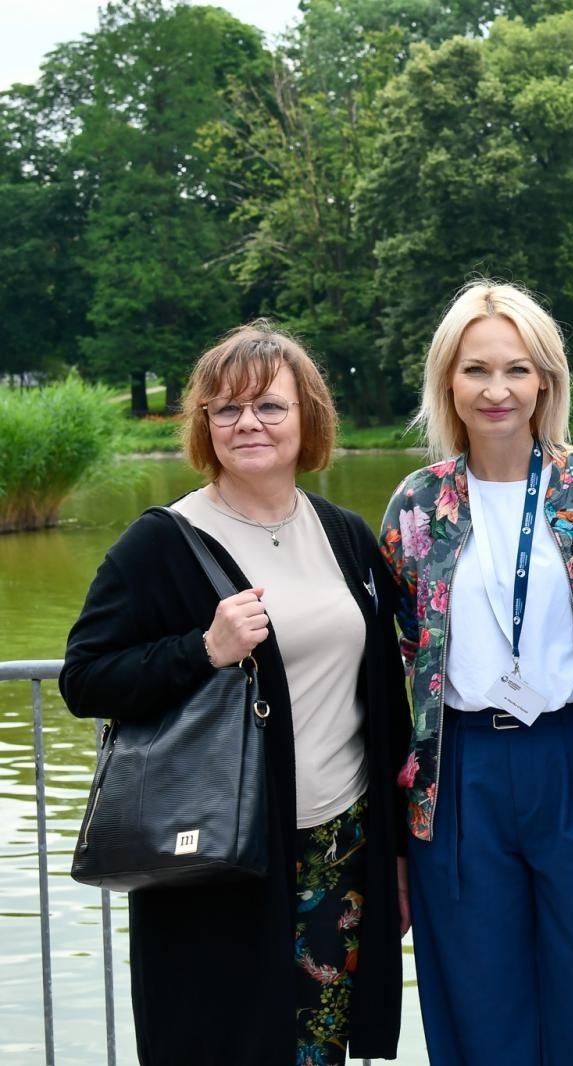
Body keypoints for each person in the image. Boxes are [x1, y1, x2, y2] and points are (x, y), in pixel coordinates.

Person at [61, 324, 410, 1066]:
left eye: (269, 407)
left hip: (337, 849)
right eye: (227, 410)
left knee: (317, 1049)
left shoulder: (346, 536)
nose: (248, 423)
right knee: (218, 1043)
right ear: (205, 426)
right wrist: (203, 649)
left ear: (307, 418)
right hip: (219, 857)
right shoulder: (161, 542)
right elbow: (85, 678)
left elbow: (388, 690)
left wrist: (399, 853)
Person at [378, 281, 573, 1065]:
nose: (497, 390)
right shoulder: (417, 504)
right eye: (476, 370)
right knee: (479, 1001)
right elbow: (396, 655)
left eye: (516, 368)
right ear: (449, 384)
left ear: (546, 380)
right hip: (460, 775)